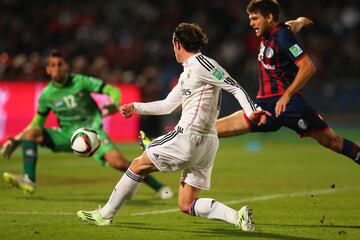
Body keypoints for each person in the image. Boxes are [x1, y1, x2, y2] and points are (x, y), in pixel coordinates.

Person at [77, 22, 268, 230]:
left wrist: (251, 113)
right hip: (207, 142)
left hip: (189, 136)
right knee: (186, 204)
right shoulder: (188, 73)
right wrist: (136, 107)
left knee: (137, 165)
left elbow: (235, 87)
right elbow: (167, 105)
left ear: (177, 44)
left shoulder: (203, 64)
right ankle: (237, 217)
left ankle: (106, 214)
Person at [0, 50, 173, 199]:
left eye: (60, 64)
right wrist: (16, 140)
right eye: (53, 65)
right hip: (67, 134)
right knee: (32, 134)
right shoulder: (47, 95)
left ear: (66, 66)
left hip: (93, 130)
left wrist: (114, 103)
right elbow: (36, 123)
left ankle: (158, 187)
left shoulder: (80, 81)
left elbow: (111, 90)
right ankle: (29, 180)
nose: (57, 68)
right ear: (47, 69)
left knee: (118, 162)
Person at [215, 0, 360, 164]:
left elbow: (307, 67)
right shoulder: (273, 32)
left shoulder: (282, 37)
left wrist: (287, 95)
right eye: (250, 18)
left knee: (332, 141)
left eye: (255, 18)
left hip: (290, 106)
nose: (251, 23)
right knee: (214, 129)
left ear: (269, 17)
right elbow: (291, 25)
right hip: (265, 107)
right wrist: (300, 21)